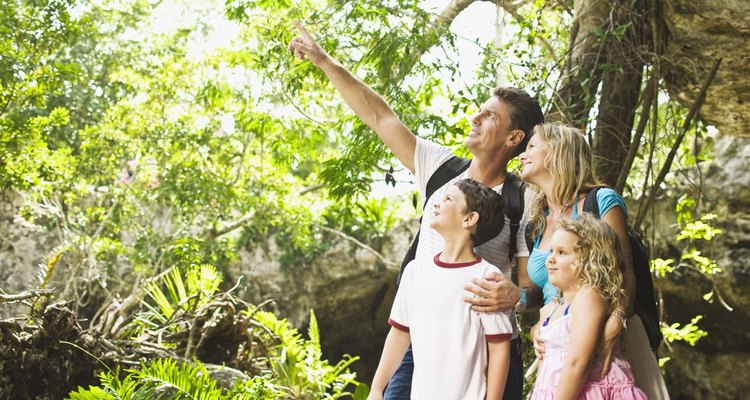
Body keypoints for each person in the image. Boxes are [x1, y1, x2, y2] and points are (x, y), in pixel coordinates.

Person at [289, 20, 544, 399]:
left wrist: (516, 299)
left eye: (489, 116)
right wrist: (324, 60)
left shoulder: (522, 199)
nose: (475, 118)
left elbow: (531, 289)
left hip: (482, 344)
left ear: (514, 138)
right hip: (420, 339)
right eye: (479, 110)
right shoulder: (440, 168)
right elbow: (378, 115)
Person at [519, 122, 669, 399]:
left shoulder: (600, 200)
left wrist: (617, 319)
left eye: (531, 147)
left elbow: (623, 270)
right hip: (561, 347)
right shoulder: (535, 223)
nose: (522, 155)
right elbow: (548, 291)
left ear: (556, 152)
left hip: (611, 337)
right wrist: (540, 326)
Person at [368, 179, 515, 400]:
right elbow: (399, 335)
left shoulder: (486, 277)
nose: (437, 203)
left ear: (469, 218)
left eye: (448, 199)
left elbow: (499, 348)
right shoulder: (415, 271)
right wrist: (377, 389)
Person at [530, 214, 647, 399]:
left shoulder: (588, 297)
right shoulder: (550, 310)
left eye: (562, 252)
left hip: (594, 392)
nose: (550, 259)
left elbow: (578, 363)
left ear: (590, 261)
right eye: (551, 251)